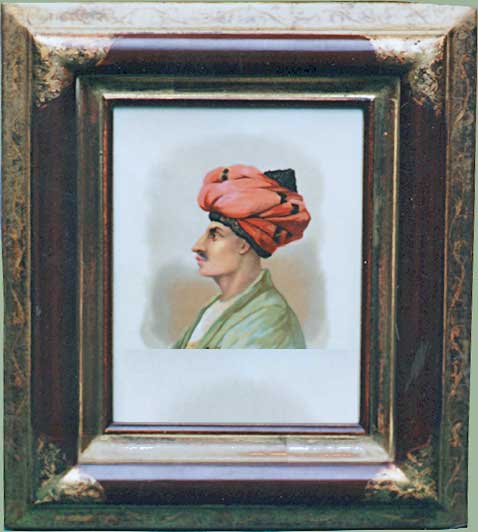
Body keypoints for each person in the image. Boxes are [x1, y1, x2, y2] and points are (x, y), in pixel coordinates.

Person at [173, 164, 311, 349]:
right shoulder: (213, 308)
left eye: (215, 235)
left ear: (244, 244)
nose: (197, 246)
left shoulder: (269, 319)